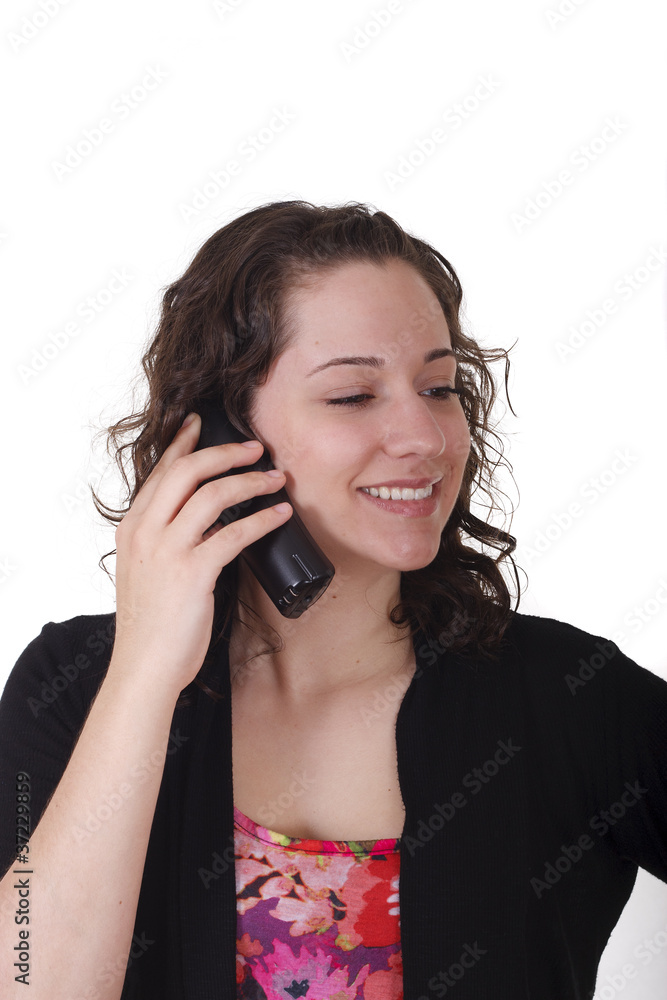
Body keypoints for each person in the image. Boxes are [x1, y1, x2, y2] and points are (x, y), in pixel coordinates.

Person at [0, 200, 665, 1000]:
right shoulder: (74, 686)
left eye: (439, 386)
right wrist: (143, 673)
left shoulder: (569, 694)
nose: (423, 437)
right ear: (217, 434)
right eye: (353, 396)